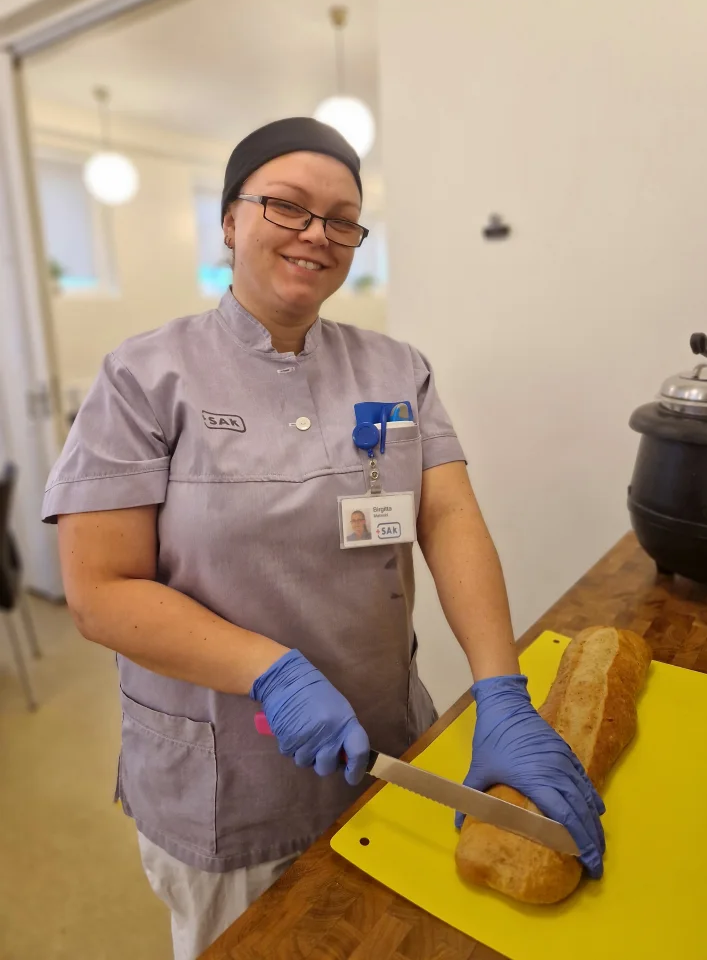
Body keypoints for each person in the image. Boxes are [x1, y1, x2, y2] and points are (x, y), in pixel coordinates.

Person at [42, 117, 604, 960]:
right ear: (229, 221)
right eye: (288, 207)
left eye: (343, 218)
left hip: (386, 745)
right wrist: (268, 669)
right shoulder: (142, 377)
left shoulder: (394, 368)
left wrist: (501, 692)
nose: (318, 234)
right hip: (227, 778)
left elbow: (445, 516)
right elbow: (99, 593)